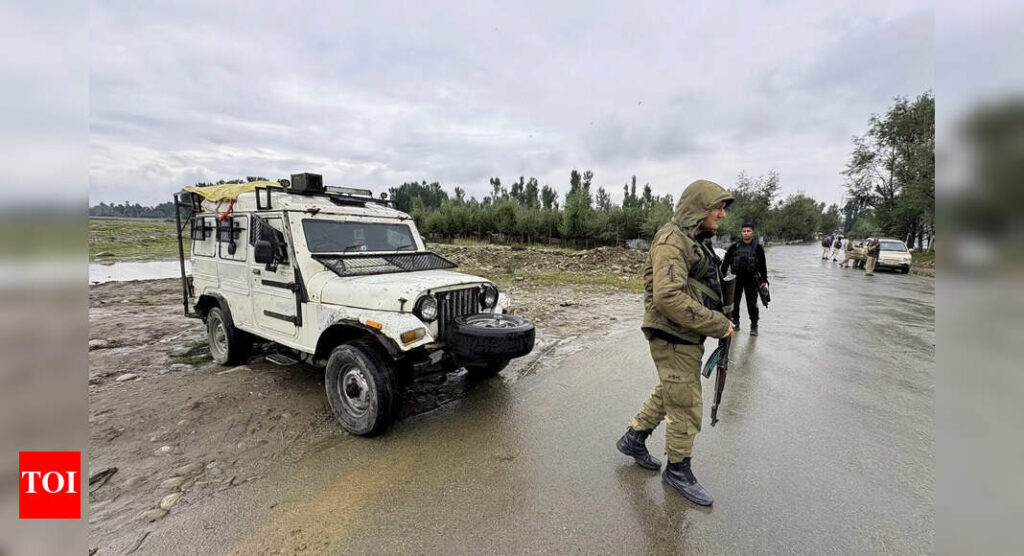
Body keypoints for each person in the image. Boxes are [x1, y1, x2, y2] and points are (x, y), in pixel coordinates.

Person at [615, 179, 735, 507]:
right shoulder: (671, 240)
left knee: (673, 389)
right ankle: (678, 470)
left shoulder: (693, 238)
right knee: (685, 402)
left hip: (684, 333)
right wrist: (719, 324)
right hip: (672, 332)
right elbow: (668, 297)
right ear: (699, 207)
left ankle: (634, 438)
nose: (723, 214)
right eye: (718, 207)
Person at [721, 224, 769, 336]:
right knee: (734, 303)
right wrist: (722, 278)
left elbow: (763, 265)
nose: (746, 233)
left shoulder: (758, 247)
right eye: (744, 231)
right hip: (735, 280)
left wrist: (764, 280)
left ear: (752, 233)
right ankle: (735, 322)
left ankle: (754, 325)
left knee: (752, 304)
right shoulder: (734, 247)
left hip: (752, 280)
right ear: (741, 233)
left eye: (748, 231)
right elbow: (725, 263)